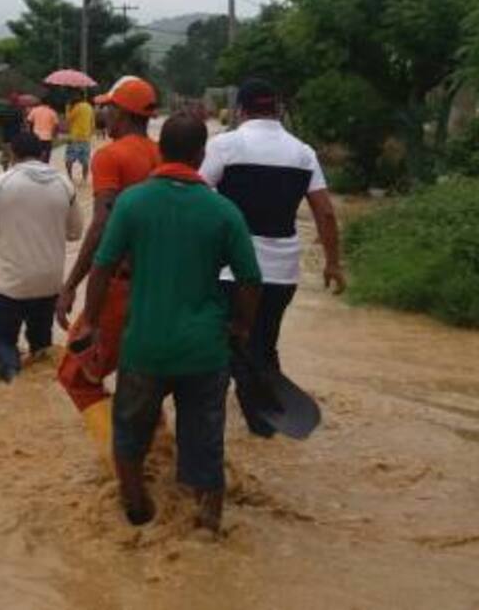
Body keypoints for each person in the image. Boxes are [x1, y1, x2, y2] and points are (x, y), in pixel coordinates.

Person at [81, 113, 261, 531]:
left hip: (144, 345)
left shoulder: (132, 203)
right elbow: (251, 280)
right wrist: (241, 326)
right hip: (205, 350)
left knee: (129, 432)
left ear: (161, 151)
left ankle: (136, 506)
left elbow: (102, 267)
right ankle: (207, 521)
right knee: (204, 440)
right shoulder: (223, 211)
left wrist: (91, 321)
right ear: (200, 156)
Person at [199, 77, 346, 437]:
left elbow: (196, 195)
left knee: (230, 344)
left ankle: (253, 421)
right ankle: (270, 415)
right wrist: (332, 263)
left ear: (240, 110)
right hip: (283, 272)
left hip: (232, 271)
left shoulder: (224, 146)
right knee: (263, 341)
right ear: (277, 109)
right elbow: (325, 213)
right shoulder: (302, 152)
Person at [55, 76, 161, 447]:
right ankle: (159, 453)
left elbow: (102, 224)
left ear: (122, 112)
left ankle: (120, 466)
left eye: (108, 107)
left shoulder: (111, 156)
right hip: (160, 286)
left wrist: (71, 285)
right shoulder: (162, 153)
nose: (103, 113)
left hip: (121, 286)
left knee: (77, 376)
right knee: (144, 380)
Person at [0, 132, 83, 382]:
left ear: (12, 154)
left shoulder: (0, 183)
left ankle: (11, 383)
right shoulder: (64, 184)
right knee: (42, 348)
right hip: (50, 283)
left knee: (3, 340)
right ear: (44, 154)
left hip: (11, 285)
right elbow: (75, 232)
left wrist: (4, 234)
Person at [65, 93, 96, 183]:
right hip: (86, 138)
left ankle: (70, 177)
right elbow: (93, 124)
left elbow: (68, 119)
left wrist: (67, 108)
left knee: (69, 158)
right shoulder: (89, 107)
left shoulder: (76, 107)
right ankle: (84, 178)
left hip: (75, 137)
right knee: (85, 160)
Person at [27, 99, 59, 164]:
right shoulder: (52, 112)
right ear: (49, 104)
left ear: (41, 103)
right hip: (47, 137)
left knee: (36, 154)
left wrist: (30, 132)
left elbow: (29, 121)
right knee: (46, 155)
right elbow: (56, 125)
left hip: (36, 137)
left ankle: (37, 167)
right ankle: (44, 167)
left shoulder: (34, 110)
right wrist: (54, 135)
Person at [0, 100, 25, 171]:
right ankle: (15, 171)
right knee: (15, 155)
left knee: (5, 155)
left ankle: (5, 171)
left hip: (5, 137)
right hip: (16, 137)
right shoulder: (18, 112)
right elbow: (22, 123)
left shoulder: (2, 112)